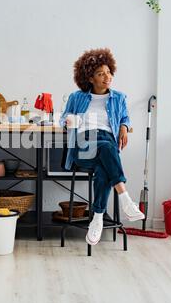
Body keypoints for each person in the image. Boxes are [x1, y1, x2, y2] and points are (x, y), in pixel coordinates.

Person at [60, 48, 144, 246]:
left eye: (108, 72)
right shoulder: (77, 97)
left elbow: (125, 117)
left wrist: (124, 126)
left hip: (105, 144)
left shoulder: (119, 98)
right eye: (100, 74)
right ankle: (125, 198)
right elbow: (64, 117)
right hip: (83, 145)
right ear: (90, 78)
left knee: (103, 166)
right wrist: (69, 121)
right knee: (107, 148)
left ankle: (97, 219)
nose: (107, 77)